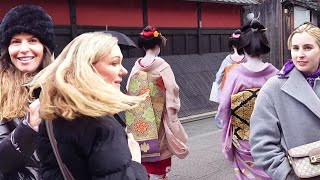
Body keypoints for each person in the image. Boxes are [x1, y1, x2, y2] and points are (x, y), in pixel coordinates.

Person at [28, 32, 148, 180]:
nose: (124, 71)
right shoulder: (103, 127)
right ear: (86, 69)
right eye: (114, 63)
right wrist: (135, 163)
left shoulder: (51, 116)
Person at [250, 22, 320, 180]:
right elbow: (262, 143)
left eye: (307, 48)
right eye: (295, 48)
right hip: (301, 174)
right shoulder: (273, 88)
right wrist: (287, 175)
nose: (300, 54)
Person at [126, 26, 189, 180]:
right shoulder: (162, 65)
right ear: (157, 45)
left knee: (142, 148)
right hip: (159, 115)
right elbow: (172, 88)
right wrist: (172, 109)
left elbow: (129, 88)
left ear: (142, 46)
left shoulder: (136, 66)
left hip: (141, 116)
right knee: (161, 146)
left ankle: (145, 175)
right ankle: (161, 176)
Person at [218, 19, 278, 179]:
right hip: (270, 138)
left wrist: (227, 132)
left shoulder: (235, 74)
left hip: (244, 140)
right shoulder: (275, 74)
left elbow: (224, 108)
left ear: (243, 47)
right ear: (263, 46)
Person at [0, 5, 55, 179]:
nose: (24, 49)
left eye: (32, 40)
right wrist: (29, 127)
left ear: (45, 47)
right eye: (16, 41)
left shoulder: (63, 87)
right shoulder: (1, 92)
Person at [209, 29, 245, 128]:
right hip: (245, 93)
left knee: (230, 122)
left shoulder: (228, 60)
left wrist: (218, 91)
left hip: (230, 94)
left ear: (232, 45)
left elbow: (219, 76)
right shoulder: (247, 59)